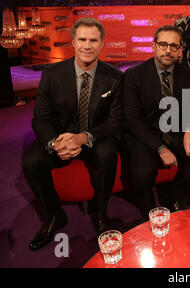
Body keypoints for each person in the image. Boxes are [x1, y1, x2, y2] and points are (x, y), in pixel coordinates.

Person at [21, 17, 123, 250]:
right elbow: (41, 117)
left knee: (108, 153)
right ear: (74, 42)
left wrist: (84, 137)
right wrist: (54, 143)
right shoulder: (52, 73)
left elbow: (115, 122)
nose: (88, 45)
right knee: (31, 161)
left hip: (93, 137)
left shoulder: (115, 78)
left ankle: (99, 212)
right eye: (83, 39)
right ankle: (54, 214)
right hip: (61, 137)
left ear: (102, 44)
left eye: (93, 40)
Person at [122, 25, 190, 218]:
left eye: (174, 46)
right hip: (145, 136)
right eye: (163, 44)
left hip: (175, 131)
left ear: (180, 50)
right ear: (154, 46)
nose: (168, 50)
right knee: (142, 172)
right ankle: (148, 211)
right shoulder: (134, 75)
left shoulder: (188, 75)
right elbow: (133, 120)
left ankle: (176, 198)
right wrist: (160, 148)